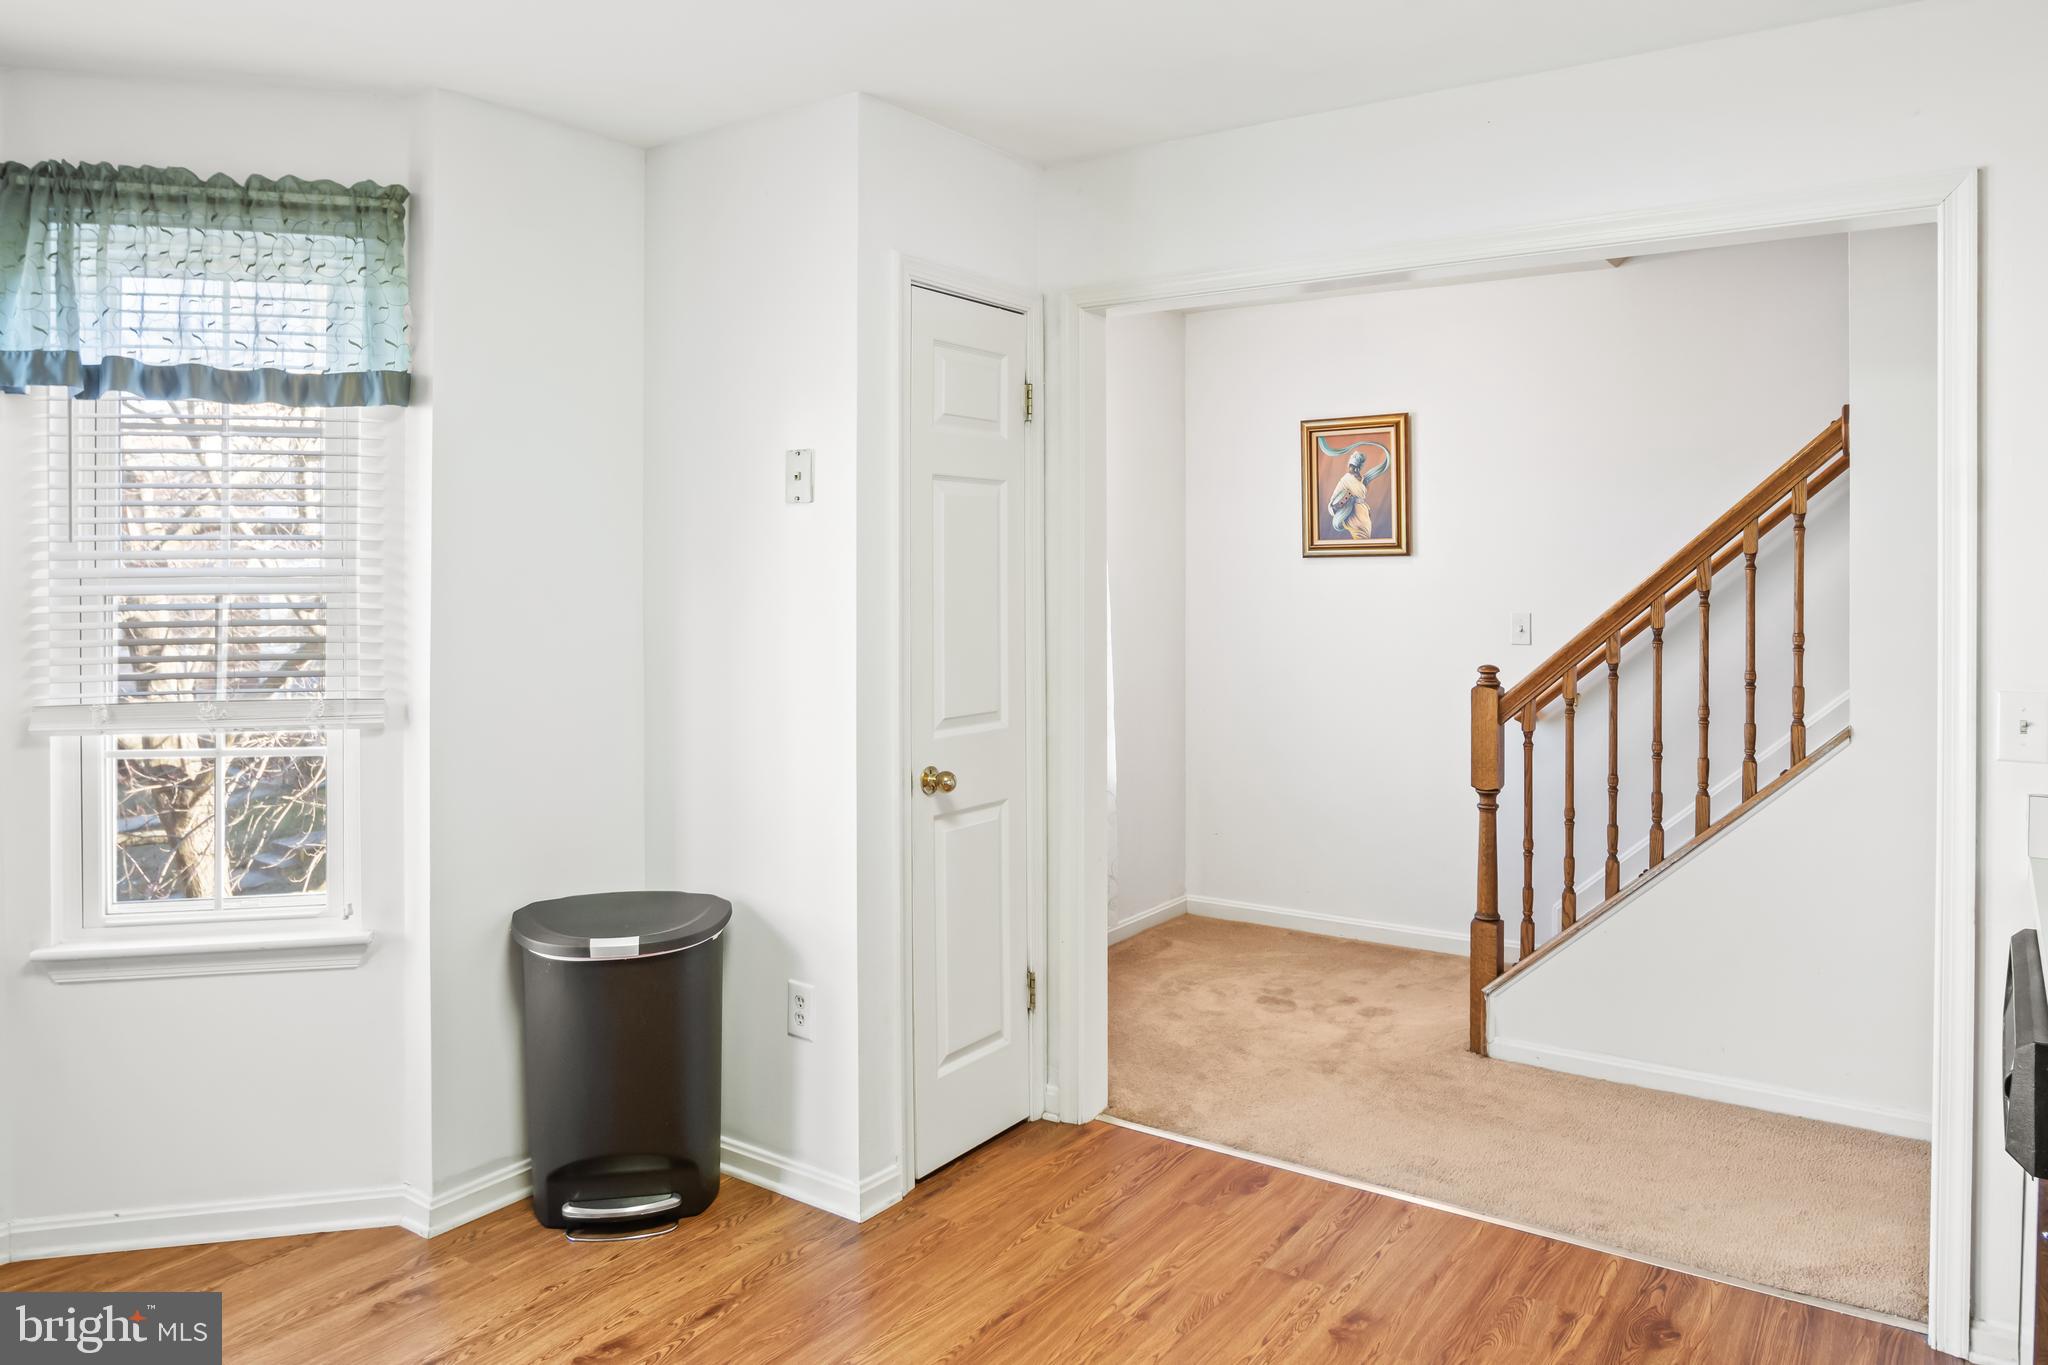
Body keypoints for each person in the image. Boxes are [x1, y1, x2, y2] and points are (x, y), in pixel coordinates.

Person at [1322, 437, 1392, 540]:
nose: (1354, 469)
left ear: (1359, 467)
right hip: (1353, 516)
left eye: (1356, 467)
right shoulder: (1345, 480)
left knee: (1366, 539)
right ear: (1349, 465)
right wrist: (1344, 501)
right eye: (1352, 466)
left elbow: (1361, 496)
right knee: (1360, 539)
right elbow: (1332, 505)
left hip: (1364, 515)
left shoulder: (1362, 479)